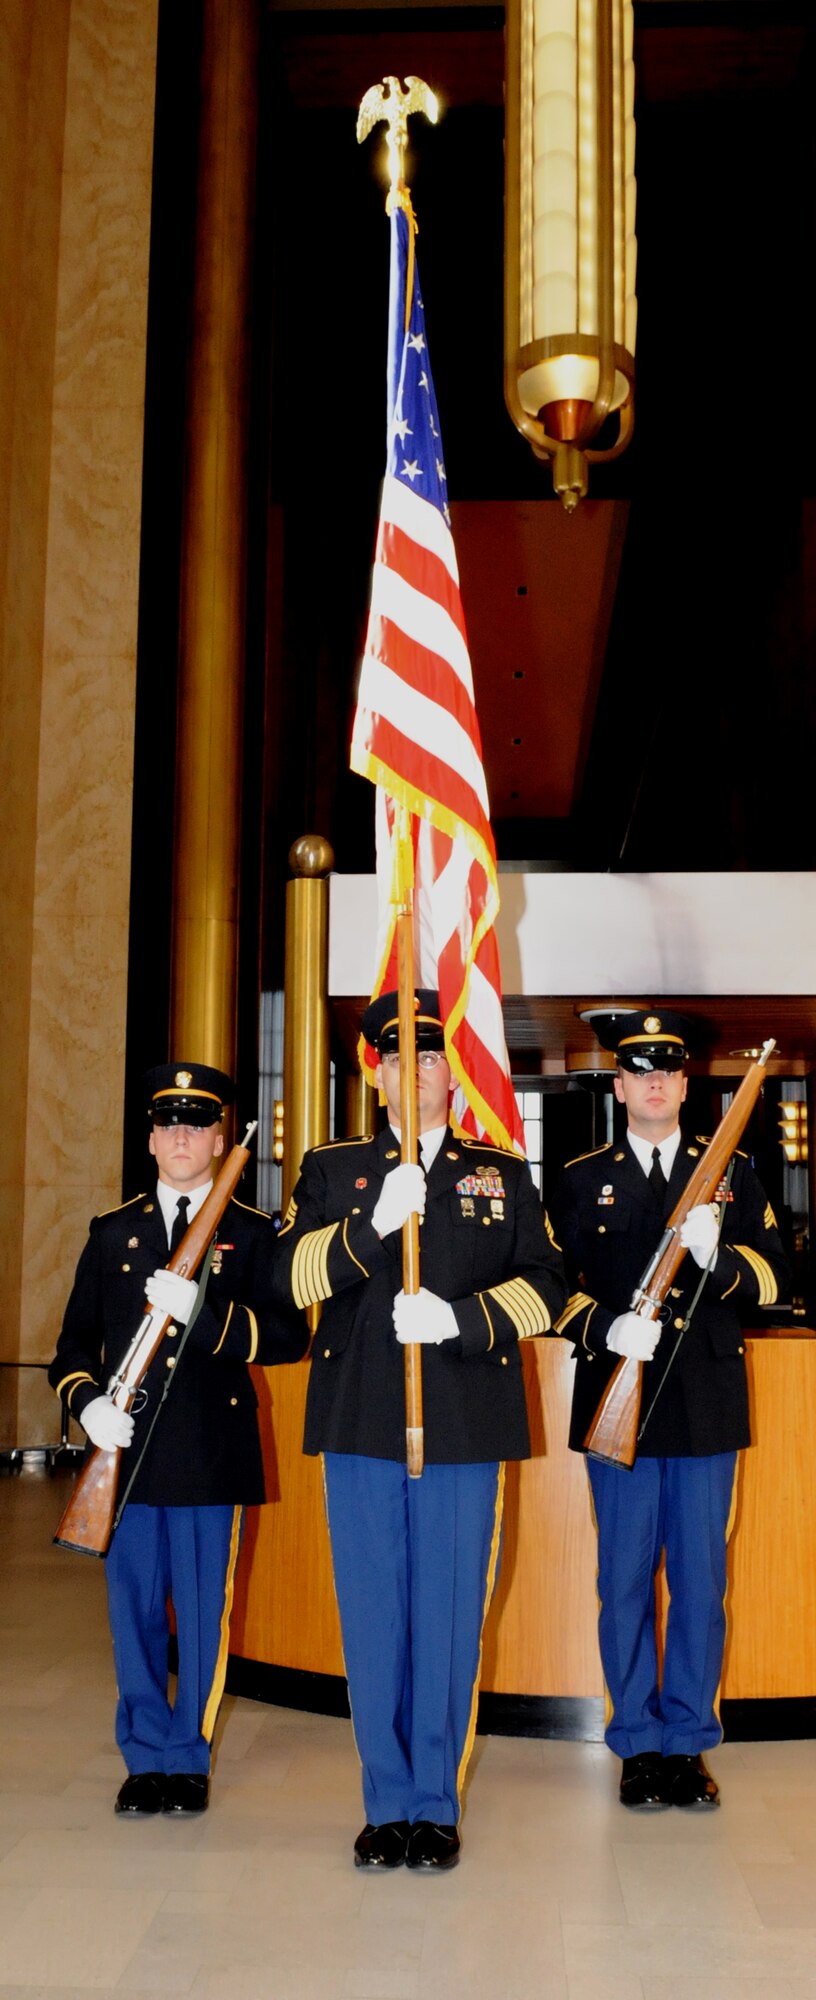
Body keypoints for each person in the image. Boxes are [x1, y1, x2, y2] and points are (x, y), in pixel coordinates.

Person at [271, 989, 567, 1871]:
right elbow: (290, 1278)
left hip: (467, 1423)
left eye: (431, 1057)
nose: (416, 1072)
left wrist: (460, 1322)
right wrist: (371, 1224)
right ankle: (385, 1799)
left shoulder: (502, 1172)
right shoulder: (334, 1168)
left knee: (444, 1615)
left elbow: (547, 1284)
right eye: (397, 1057)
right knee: (372, 1615)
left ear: (452, 1071)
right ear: (376, 1072)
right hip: (362, 1416)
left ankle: (433, 1805)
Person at [49, 1061, 308, 1818]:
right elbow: (71, 1347)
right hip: (123, 1459)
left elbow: (289, 1338)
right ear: (152, 1140)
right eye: (170, 1124)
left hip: (210, 1451)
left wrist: (205, 1313)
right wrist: (90, 1406)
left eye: (198, 1125)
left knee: (200, 1614)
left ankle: (187, 1755)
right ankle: (143, 1755)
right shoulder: (114, 1232)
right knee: (130, 1610)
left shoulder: (254, 1234)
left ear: (221, 1138)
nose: (183, 1136)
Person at [549, 1010, 789, 1812]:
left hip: (705, 1407)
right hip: (620, 1403)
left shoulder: (736, 1173)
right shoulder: (582, 1177)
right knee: (622, 1583)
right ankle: (636, 1743)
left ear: (687, 1085)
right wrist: (604, 1324)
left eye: (668, 1070)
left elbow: (774, 1282)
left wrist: (719, 1254)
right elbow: (553, 1288)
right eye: (638, 1070)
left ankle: (686, 1742)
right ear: (618, 1087)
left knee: (699, 1581)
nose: (654, 1081)